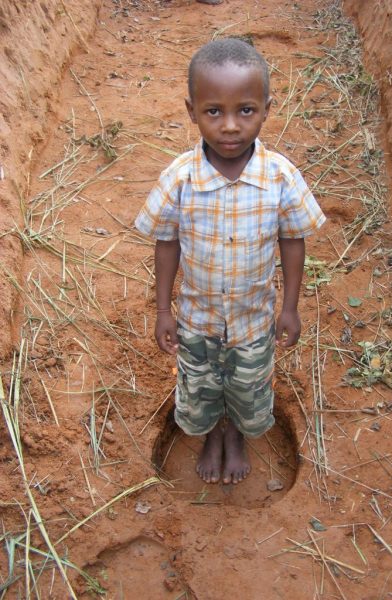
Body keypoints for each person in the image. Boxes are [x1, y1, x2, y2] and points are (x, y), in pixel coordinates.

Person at [135, 38, 325, 485]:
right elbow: (166, 242)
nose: (230, 126)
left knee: (247, 386)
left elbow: (292, 240)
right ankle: (212, 433)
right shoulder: (180, 178)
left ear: (266, 108)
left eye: (245, 110)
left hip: (253, 321)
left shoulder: (280, 177)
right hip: (197, 320)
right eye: (213, 111)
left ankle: (235, 433)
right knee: (199, 385)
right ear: (191, 110)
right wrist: (164, 311)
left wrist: (290, 307)